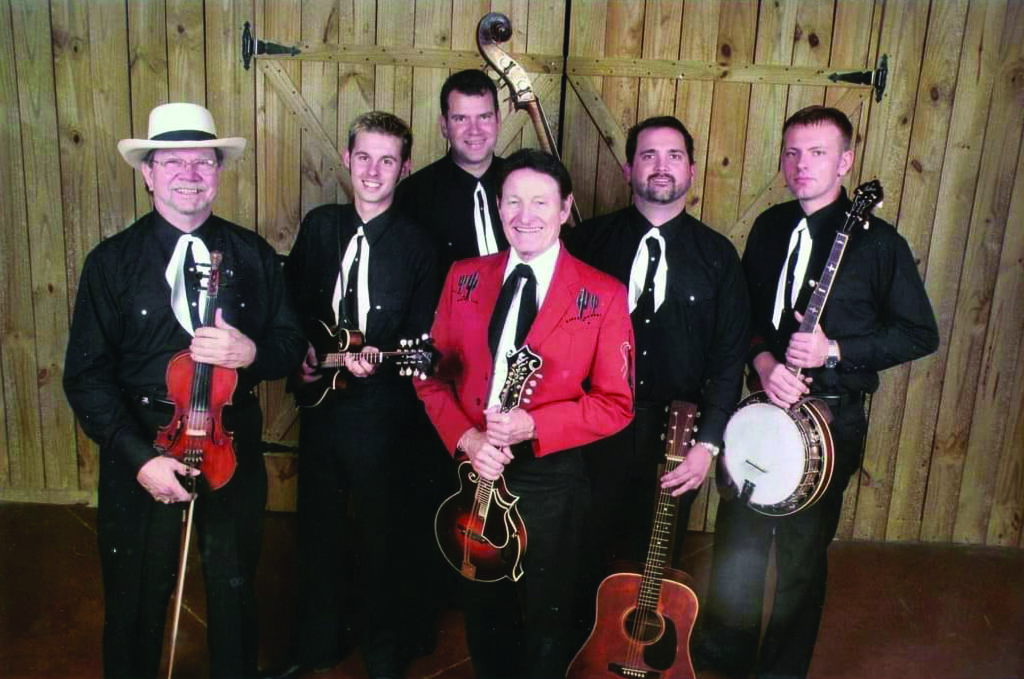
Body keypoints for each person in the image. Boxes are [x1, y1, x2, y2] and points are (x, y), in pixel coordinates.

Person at [63, 102, 307, 679]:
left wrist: (251, 353)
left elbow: (289, 342)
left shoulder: (252, 255)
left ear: (219, 172)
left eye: (203, 161)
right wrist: (140, 461)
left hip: (229, 444)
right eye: (173, 161)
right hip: (142, 443)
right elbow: (86, 377)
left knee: (232, 582)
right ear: (147, 173)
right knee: (135, 591)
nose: (190, 173)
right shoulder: (112, 263)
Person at [695, 106, 940, 679]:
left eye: (818, 153)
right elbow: (744, 317)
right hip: (760, 411)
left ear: (846, 161)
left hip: (830, 422)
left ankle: (779, 672)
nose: (802, 165)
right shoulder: (769, 227)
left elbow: (920, 333)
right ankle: (721, 661)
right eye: (793, 153)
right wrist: (761, 359)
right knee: (738, 546)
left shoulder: (880, 246)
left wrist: (834, 351)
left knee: (800, 559)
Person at [414, 148, 635, 679]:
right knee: (483, 605)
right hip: (475, 468)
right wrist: (467, 441)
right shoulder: (463, 278)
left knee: (547, 615)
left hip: (552, 478)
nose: (525, 214)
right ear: (498, 206)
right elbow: (431, 377)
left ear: (565, 209)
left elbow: (617, 404)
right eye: (513, 201)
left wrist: (534, 425)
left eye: (540, 201)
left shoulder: (602, 295)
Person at [279, 111, 439, 679]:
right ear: (346, 159)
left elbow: (425, 339)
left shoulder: (419, 247)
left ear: (405, 167)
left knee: (381, 537)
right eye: (364, 157)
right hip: (320, 409)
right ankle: (314, 647)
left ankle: (382, 655)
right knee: (318, 530)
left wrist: (383, 361)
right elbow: (289, 307)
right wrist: (299, 354)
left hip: (381, 417)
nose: (373, 171)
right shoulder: (321, 226)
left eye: (387, 160)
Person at [565, 115, 749, 569]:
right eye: (648, 155)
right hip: (592, 435)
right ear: (629, 170)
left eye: (674, 156)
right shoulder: (586, 243)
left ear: (690, 169)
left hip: (676, 438)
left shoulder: (718, 257)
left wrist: (707, 445)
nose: (661, 166)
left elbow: (728, 360)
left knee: (652, 568)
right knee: (583, 557)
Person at [395, 68, 507, 274]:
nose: (475, 130)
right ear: (444, 126)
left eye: (484, 116)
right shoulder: (413, 195)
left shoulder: (524, 184)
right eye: (460, 119)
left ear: (498, 120)